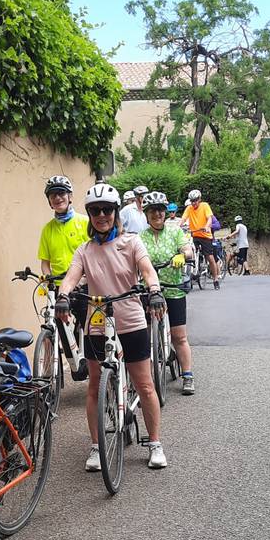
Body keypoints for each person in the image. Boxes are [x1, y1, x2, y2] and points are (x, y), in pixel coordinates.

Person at [55, 183, 168, 471]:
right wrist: (64, 297)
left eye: (107, 209)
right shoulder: (85, 250)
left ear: (115, 212)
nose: (101, 215)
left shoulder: (131, 242)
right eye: (95, 210)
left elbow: (147, 270)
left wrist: (153, 289)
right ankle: (96, 446)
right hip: (97, 322)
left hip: (130, 319)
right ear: (90, 214)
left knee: (144, 384)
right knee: (95, 386)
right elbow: (70, 277)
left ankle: (154, 442)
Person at [140, 192, 195, 395]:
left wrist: (182, 254)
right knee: (145, 335)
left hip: (173, 288)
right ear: (146, 214)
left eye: (161, 210)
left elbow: (188, 250)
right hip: (148, 290)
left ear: (166, 213)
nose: (157, 214)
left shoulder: (175, 232)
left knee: (179, 336)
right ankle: (144, 378)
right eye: (152, 210)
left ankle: (187, 375)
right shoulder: (140, 237)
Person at [38, 175, 89, 278]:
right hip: (58, 286)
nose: (57, 198)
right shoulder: (47, 229)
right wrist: (49, 283)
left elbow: (96, 256)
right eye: (53, 195)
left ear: (70, 197)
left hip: (83, 285)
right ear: (50, 202)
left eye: (61, 193)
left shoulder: (86, 222)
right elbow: (45, 262)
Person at [180, 189, 221, 289]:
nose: (193, 203)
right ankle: (191, 271)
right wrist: (178, 226)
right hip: (194, 234)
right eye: (192, 201)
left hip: (205, 235)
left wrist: (207, 226)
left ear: (199, 199)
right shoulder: (189, 208)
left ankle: (215, 279)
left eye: (195, 200)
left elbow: (209, 218)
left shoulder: (205, 206)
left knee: (210, 257)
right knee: (189, 250)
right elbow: (183, 219)